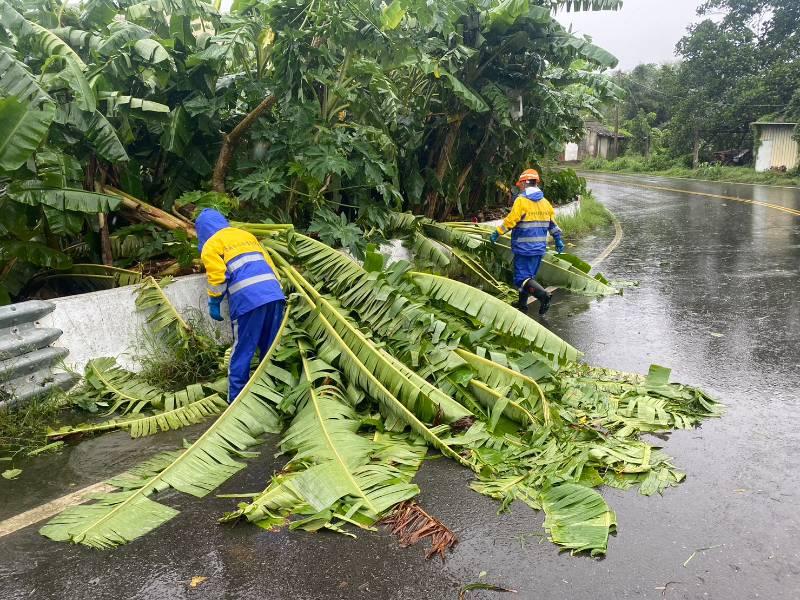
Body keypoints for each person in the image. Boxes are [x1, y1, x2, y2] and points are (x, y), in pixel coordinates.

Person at [195, 209, 286, 403]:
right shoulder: (246, 235)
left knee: (242, 350)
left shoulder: (211, 244)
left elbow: (218, 276)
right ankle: (272, 395)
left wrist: (214, 301)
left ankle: (236, 400)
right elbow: (269, 263)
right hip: (274, 294)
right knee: (270, 350)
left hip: (248, 301)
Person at [489, 168, 565, 315]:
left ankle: (544, 296)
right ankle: (522, 305)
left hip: (524, 248)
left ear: (524, 183)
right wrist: (558, 240)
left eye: (520, 185)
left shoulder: (521, 201)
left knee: (521, 279)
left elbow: (511, 221)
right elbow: (553, 225)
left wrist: (497, 233)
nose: (519, 187)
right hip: (539, 249)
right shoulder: (545, 203)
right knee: (528, 278)